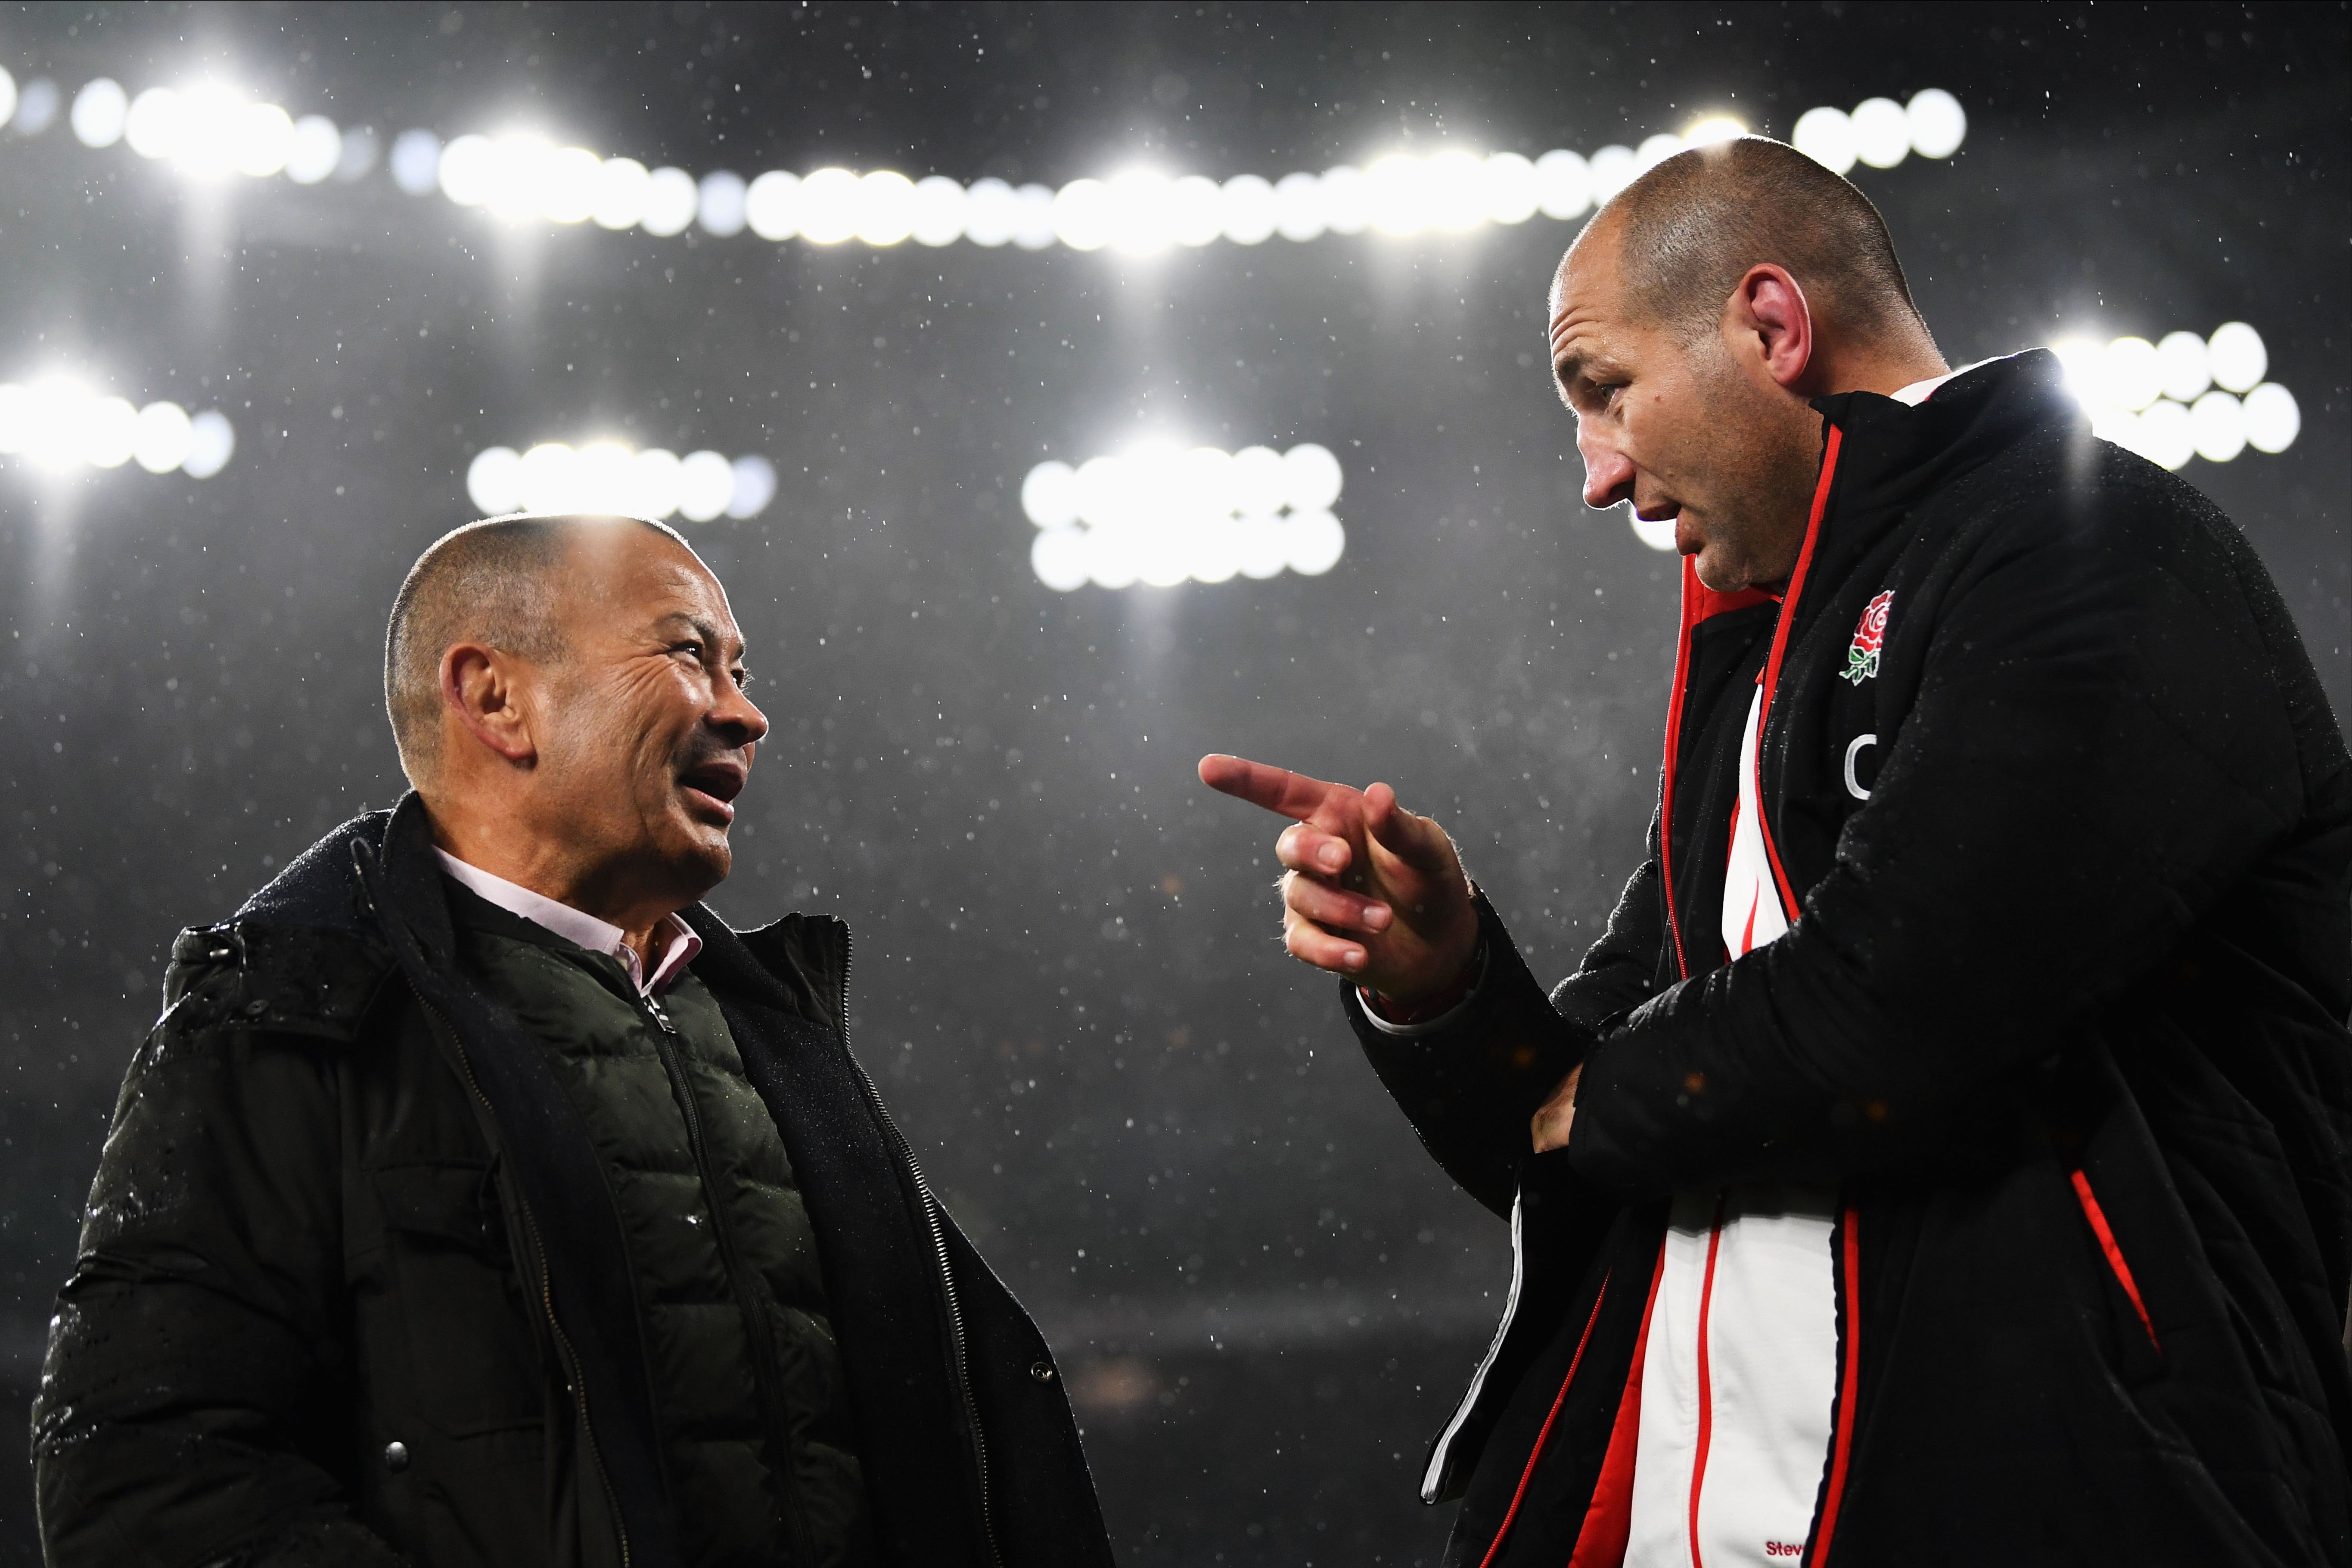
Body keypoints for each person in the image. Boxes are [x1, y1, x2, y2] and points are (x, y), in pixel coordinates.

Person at [1204, 136, 2352, 1566]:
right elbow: (1555, 1131)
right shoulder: (1765, 674)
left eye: (1603, 390)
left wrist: (1587, 1097)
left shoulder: (2098, 544)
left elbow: (1898, 1012)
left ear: (1770, 326)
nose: (1596, 473)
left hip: (2041, 1504)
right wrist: (1441, 986)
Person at [33, 515, 1113, 1568]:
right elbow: (152, 1474)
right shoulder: (283, 1020)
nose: (746, 715)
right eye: (692, 656)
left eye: (739, 670)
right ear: (496, 698)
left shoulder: (776, 1034)